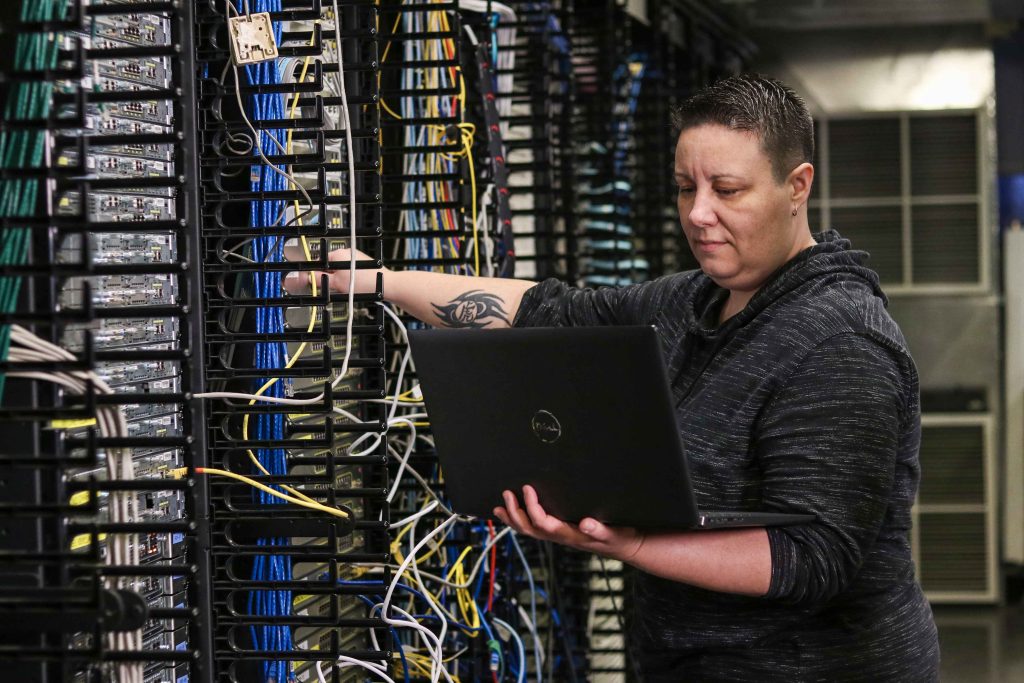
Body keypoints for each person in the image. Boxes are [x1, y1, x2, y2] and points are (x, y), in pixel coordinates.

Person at [284, 73, 940, 681]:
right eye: (687, 187)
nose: (699, 213)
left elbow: (811, 556)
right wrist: (374, 282)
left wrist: (631, 542)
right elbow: (546, 312)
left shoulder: (841, 342)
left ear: (797, 185)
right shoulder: (689, 302)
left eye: (728, 190)